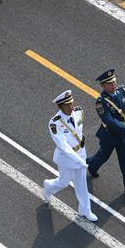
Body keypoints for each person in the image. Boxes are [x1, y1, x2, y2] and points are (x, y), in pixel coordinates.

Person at [86, 68, 125, 200]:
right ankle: (92, 166)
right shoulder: (101, 102)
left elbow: (124, 112)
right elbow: (108, 120)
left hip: (123, 135)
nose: (113, 85)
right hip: (109, 135)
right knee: (103, 156)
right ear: (103, 85)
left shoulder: (121, 91)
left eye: (114, 81)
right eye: (109, 83)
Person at [41, 90, 97, 222]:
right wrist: (78, 160)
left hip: (81, 152)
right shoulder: (55, 123)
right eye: (67, 105)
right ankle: (48, 186)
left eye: (71, 103)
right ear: (60, 107)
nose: (71, 107)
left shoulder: (78, 112)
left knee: (81, 183)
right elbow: (63, 145)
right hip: (67, 158)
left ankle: (85, 210)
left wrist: (81, 158)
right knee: (64, 182)